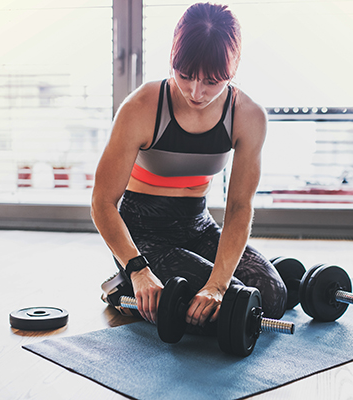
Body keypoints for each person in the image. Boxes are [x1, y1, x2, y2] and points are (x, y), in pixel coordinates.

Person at [91, 2, 287, 333]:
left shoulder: (248, 116)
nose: (196, 92)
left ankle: (179, 292)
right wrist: (137, 268)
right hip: (142, 232)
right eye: (185, 76)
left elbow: (239, 207)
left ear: (233, 68)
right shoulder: (141, 107)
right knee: (230, 304)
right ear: (172, 59)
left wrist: (218, 285)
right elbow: (102, 202)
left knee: (271, 295)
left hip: (198, 224)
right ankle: (125, 286)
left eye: (211, 81)